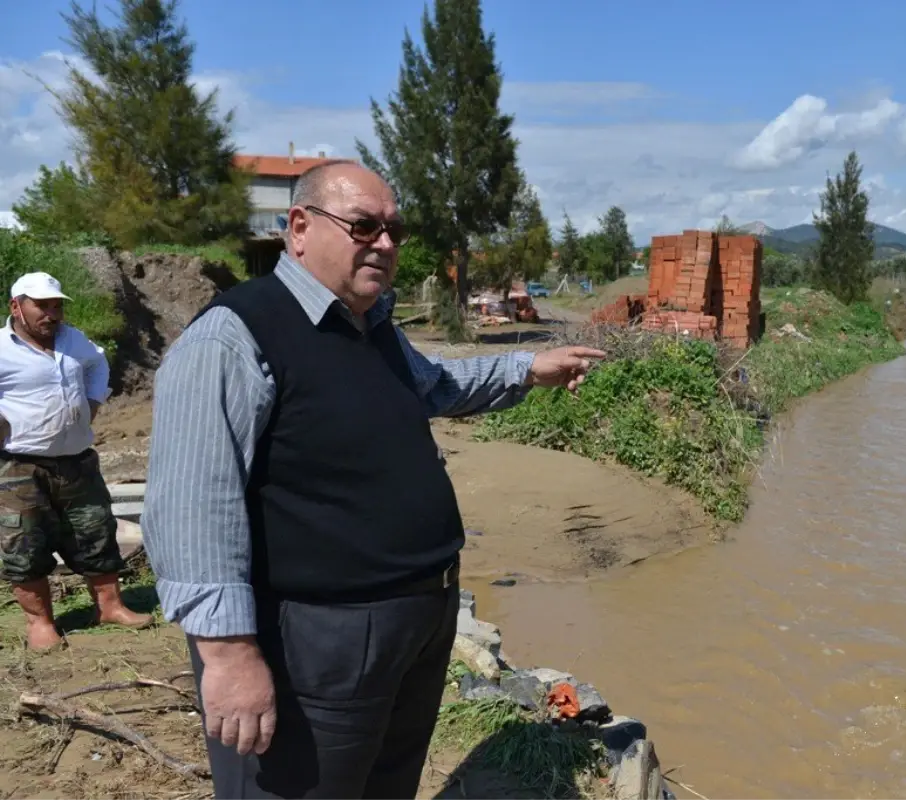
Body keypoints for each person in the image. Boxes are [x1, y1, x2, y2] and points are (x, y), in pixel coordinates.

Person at [141, 161, 605, 799]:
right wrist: (226, 656)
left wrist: (528, 367)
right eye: (364, 226)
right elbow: (194, 505)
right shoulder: (234, 336)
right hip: (321, 639)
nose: (384, 244)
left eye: (394, 230)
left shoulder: (371, 324)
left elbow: (436, 385)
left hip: (416, 621)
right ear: (299, 228)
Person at [0, 271, 153, 651]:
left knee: (96, 533)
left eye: (57, 306)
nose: (52, 314)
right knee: (24, 544)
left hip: (77, 462)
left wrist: (94, 401)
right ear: (16, 306)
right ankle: (41, 624)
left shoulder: (74, 340)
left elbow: (97, 363)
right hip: (19, 465)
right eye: (43, 306)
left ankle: (110, 607)